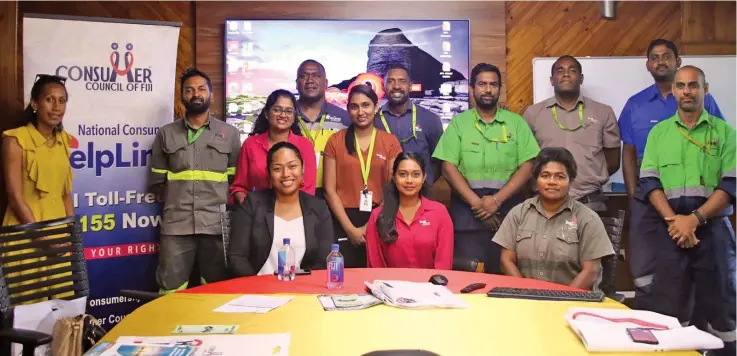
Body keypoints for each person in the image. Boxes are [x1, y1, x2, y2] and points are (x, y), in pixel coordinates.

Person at [635, 65, 735, 355]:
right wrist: (675, 223)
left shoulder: (726, 133)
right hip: (670, 231)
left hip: (713, 230)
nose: (686, 91)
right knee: (667, 306)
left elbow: (731, 185)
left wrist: (694, 220)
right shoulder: (659, 134)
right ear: (674, 91)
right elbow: (650, 183)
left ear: (705, 89)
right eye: (680, 86)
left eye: (693, 85)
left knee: (721, 305)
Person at [618, 39, 724, 310]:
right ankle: (648, 315)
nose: (660, 61)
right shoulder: (635, 104)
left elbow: (718, 141)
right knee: (646, 263)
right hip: (649, 192)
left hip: (694, 197)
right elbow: (628, 152)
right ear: (648, 65)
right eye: (654, 57)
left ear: (677, 61)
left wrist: (690, 219)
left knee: (693, 262)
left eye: (666, 56)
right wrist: (633, 194)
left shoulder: (703, 100)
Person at [432, 63, 540, 274]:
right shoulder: (458, 124)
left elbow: (528, 165)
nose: (488, 89)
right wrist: (478, 204)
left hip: (508, 210)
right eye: (482, 84)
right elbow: (447, 167)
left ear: (500, 88)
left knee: (508, 278)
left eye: (493, 84)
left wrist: (497, 200)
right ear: (472, 89)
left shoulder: (516, 124)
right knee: (469, 280)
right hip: (467, 213)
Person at [149, 68, 241, 294]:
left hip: (215, 226)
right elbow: (158, 182)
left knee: (216, 289)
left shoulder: (229, 134)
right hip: (177, 226)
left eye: (201, 89)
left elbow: (235, 181)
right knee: (169, 289)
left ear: (212, 95)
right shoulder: (166, 134)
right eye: (189, 90)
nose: (196, 94)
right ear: (182, 97)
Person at [493, 147, 614, 291]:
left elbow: (591, 271)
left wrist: (561, 300)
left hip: (572, 303)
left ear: (571, 180)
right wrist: (524, 293)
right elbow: (506, 261)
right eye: (545, 175)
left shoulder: (587, 219)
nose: (552, 182)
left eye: (560, 177)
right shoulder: (518, 213)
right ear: (536, 179)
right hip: (525, 302)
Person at [2, 74, 75, 302]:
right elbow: (15, 196)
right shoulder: (15, 140)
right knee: (29, 312)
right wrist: (43, 238)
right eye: (49, 99)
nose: (57, 107)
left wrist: (68, 233)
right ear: (35, 103)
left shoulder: (64, 140)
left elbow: (65, 194)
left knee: (62, 310)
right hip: (25, 232)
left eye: (62, 100)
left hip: (58, 233)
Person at [522, 55, 620, 212]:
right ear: (552, 80)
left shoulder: (603, 112)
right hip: (545, 204)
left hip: (590, 203)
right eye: (560, 70)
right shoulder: (533, 113)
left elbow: (613, 161)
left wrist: (587, 177)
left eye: (572, 70)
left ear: (581, 79)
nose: (566, 74)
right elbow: (525, 160)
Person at [323, 84, 402, 268]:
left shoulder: (390, 142)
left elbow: (392, 188)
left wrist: (370, 226)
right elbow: (329, 189)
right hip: (342, 219)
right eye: (354, 106)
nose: (360, 112)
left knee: (377, 276)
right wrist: (350, 229)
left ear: (376, 108)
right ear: (348, 109)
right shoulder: (336, 141)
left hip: (381, 216)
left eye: (366, 105)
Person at [228, 142, 334, 277]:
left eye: (292, 166)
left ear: (303, 169)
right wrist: (256, 288)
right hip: (259, 290)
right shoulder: (252, 204)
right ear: (269, 173)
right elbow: (237, 256)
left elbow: (324, 259)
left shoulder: (319, 207)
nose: (286, 174)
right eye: (277, 169)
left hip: (303, 290)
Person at [365, 152, 453, 269]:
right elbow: (375, 264)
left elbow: (444, 263)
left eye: (416, 175)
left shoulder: (439, 213)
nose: (409, 180)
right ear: (394, 177)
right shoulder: (377, 216)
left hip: (430, 286)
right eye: (403, 174)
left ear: (424, 177)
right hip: (389, 286)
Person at [230, 89, 317, 203]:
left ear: (294, 115)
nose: (283, 115)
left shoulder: (305, 146)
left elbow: (308, 190)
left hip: (295, 213)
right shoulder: (250, 144)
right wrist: (250, 207)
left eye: (288, 111)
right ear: (266, 113)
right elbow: (240, 187)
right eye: (277, 110)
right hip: (257, 214)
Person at [375, 63, 444, 183]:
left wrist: (424, 183)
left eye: (402, 81)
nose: (396, 86)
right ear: (383, 86)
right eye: (391, 81)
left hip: (421, 195)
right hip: (385, 195)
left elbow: (439, 161)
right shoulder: (374, 121)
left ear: (410, 86)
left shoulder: (431, 119)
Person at [294, 59, 352, 197]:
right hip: (292, 193)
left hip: (332, 196)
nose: (310, 80)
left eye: (316, 75)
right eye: (304, 76)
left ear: (326, 83)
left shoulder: (344, 119)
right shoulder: (285, 116)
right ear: (296, 83)